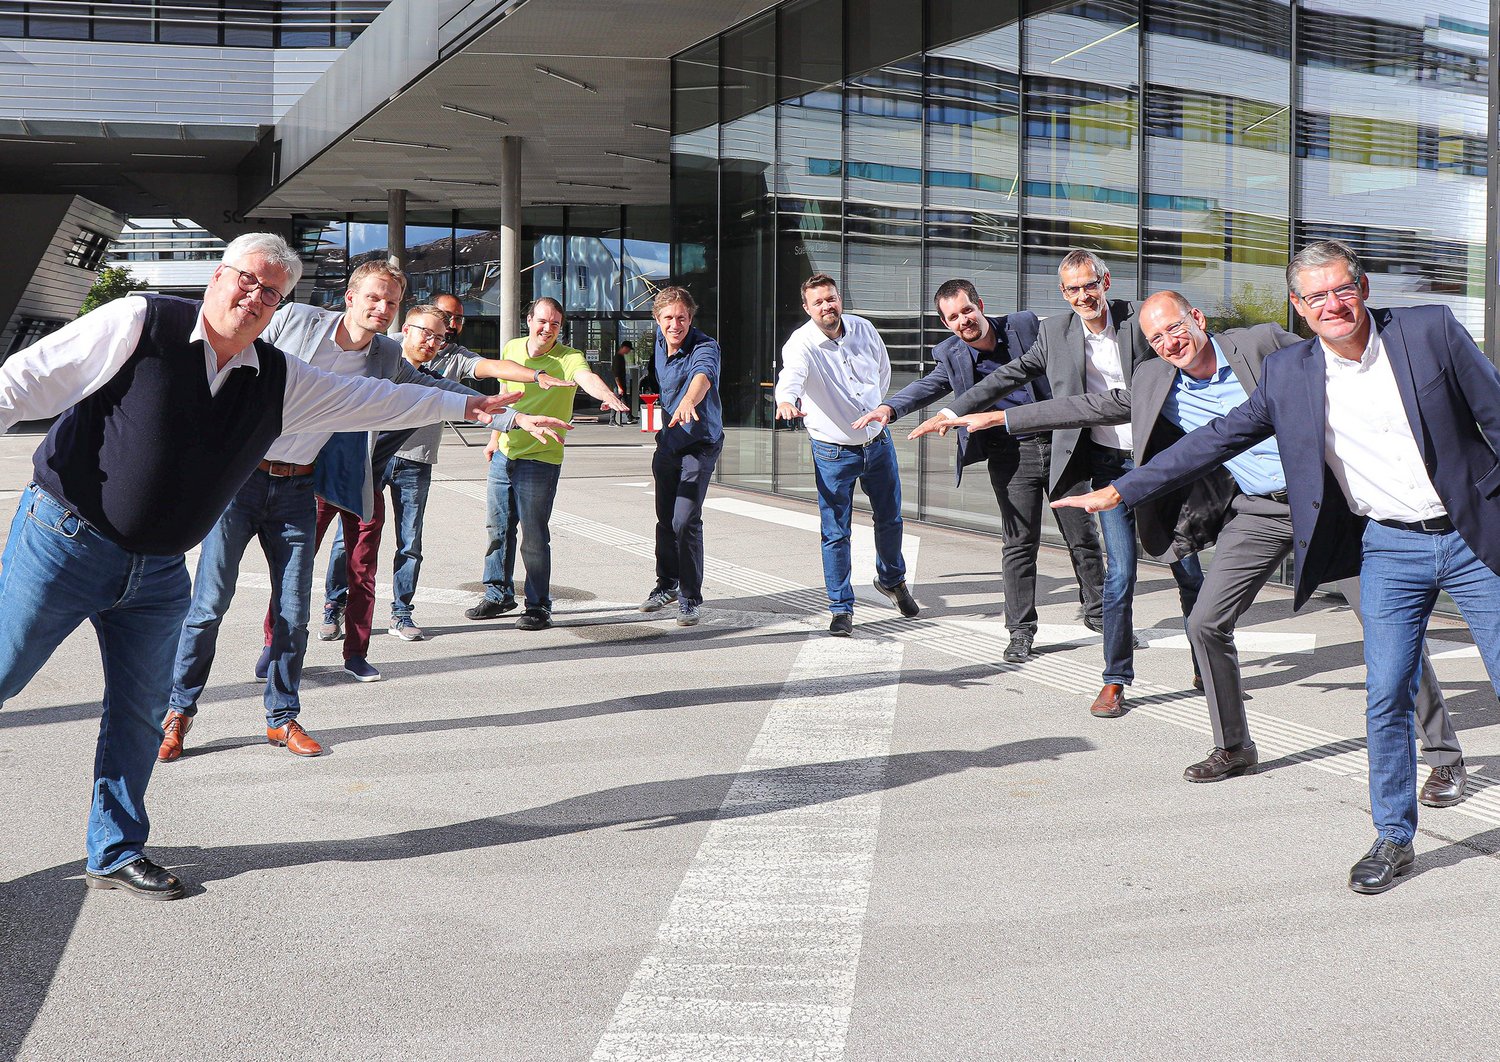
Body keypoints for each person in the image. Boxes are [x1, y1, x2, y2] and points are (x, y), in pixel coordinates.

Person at [0, 233, 523, 899]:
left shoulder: (278, 376)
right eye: (246, 279)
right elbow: (22, 382)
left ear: (280, 307)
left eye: (270, 291)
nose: (254, 296)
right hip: (66, 540)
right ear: (218, 277)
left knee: (140, 712)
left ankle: (114, 849)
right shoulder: (142, 321)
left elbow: (371, 400)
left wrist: (465, 405)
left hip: (157, 570)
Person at [1055, 240, 1500, 894]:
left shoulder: (1429, 330)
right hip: (1381, 542)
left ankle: (1440, 768)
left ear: (1363, 287)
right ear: (1299, 305)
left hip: (1468, 534)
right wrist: (1122, 489)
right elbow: (1215, 440)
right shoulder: (1293, 373)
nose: (1331, 304)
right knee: (1384, 690)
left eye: (1340, 290)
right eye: (1315, 296)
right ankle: (1394, 836)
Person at [941, 290, 1465, 798]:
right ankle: (1235, 746)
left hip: (1326, 508)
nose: (1169, 341)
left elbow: (1337, 366)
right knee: (1205, 623)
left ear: (1196, 318)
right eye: (1156, 336)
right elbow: (1096, 404)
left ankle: (1444, 757)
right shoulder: (1155, 379)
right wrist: (999, 417)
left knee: (1385, 625)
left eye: (1175, 327)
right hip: (1257, 508)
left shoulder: (1260, 343)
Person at [160, 261, 566, 761]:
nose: (382, 308)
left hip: (298, 488)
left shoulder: (385, 354)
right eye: (374, 298)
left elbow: (432, 388)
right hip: (242, 478)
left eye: (392, 303)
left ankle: (281, 719)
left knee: (293, 614)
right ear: (350, 297)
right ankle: (178, 712)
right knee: (208, 607)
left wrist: (508, 415)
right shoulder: (295, 321)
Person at [909, 250, 1203, 718]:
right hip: (1108, 467)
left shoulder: (1136, 322)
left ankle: (1203, 663)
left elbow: (1183, 362)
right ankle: (1115, 680)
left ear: (1105, 282)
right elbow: (1009, 374)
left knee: (1188, 571)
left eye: (1091, 285)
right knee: (1120, 574)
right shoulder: (1055, 332)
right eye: (1073, 289)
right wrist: (952, 411)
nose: (1084, 295)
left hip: (1159, 460)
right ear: (1063, 295)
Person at [852, 279, 1104, 662]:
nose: (963, 320)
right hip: (1010, 454)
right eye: (953, 317)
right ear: (946, 323)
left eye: (967, 310)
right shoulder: (952, 354)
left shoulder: (1023, 326)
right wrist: (890, 409)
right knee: (1019, 543)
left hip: (1059, 444)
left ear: (980, 305)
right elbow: (930, 386)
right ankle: (1020, 631)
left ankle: (1100, 614)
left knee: (1082, 534)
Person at [322, 303, 567, 643]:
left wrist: (530, 387)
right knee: (346, 539)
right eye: (429, 331)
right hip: (366, 459)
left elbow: (485, 372)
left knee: (409, 541)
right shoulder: (383, 350)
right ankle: (333, 606)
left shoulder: (448, 359)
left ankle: (401, 613)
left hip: (415, 461)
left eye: (445, 330)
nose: (436, 338)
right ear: (407, 328)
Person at [464, 297, 629, 630]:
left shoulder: (568, 358)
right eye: (542, 321)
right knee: (497, 530)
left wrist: (607, 394)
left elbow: (586, 377)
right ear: (529, 320)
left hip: (541, 458)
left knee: (534, 536)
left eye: (555, 324)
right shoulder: (511, 348)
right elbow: (504, 394)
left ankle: (538, 606)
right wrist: (494, 439)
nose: (547, 329)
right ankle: (498, 595)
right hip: (505, 453)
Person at [775, 274, 920, 635]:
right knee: (836, 531)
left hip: (877, 442)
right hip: (833, 451)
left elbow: (883, 374)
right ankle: (841, 607)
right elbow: (791, 376)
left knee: (890, 519)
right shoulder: (801, 345)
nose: (828, 306)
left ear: (840, 299)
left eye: (832, 299)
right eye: (819, 302)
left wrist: (875, 412)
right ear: (808, 308)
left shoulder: (864, 329)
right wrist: (785, 401)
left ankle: (892, 580)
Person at [638, 288, 723, 626]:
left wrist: (689, 400)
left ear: (691, 318)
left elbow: (703, 374)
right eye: (669, 318)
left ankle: (690, 598)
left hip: (700, 444)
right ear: (658, 320)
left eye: (682, 318)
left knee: (684, 520)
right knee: (664, 519)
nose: (676, 325)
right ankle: (666, 585)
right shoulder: (658, 344)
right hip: (669, 442)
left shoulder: (705, 345)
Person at [610, 340, 636, 426]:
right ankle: (612, 420)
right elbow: (616, 374)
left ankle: (630, 417)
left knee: (624, 399)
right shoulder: (618, 358)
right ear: (624, 348)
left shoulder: (620, 357)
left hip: (621, 383)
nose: (629, 351)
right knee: (616, 400)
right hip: (618, 384)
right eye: (628, 349)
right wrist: (619, 386)